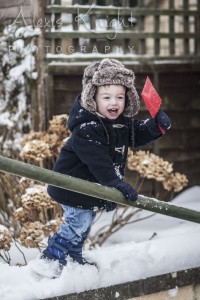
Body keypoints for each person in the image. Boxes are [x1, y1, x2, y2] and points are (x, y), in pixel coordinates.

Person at [40, 59, 171, 275]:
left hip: (88, 188)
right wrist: (116, 183)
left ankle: (72, 259)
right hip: (72, 185)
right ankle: (49, 260)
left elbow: (135, 133)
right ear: (93, 98)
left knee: (84, 224)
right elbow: (98, 161)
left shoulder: (119, 121)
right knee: (77, 223)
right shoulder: (88, 127)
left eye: (120, 97)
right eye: (107, 97)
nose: (114, 103)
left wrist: (154, 126)